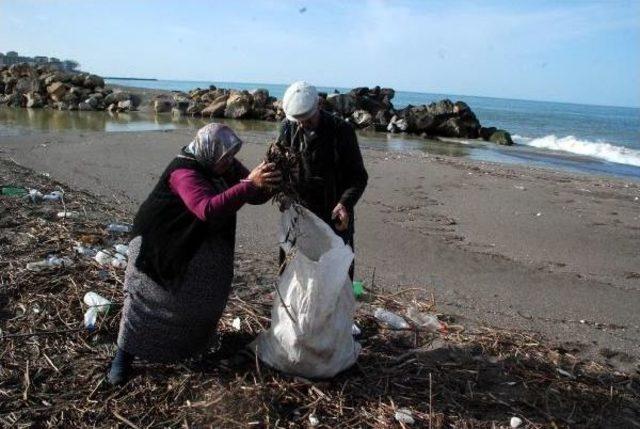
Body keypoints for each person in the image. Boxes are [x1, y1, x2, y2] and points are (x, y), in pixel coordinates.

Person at [107, 123, 281, 385]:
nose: (230, 163)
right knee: (146, 301)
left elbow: (253, 194)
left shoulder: (222, 163)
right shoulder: (183, 172)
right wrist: (249, 184)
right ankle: (122, 359)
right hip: (160, 244)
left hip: (198, 242)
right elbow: (206, 209)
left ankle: (186, 349)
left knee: (202, 299)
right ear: (209, 152)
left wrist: (268, 180)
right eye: (226, 158)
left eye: (232, 157)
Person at [277, 81, 368, 279]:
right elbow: (280, 167)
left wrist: (345, 203)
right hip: (298, 214)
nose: (301, 124)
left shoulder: (341, 131)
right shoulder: (287, 128)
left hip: (334, 216)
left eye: (307, 119)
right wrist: (281, 191)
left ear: (318, 104)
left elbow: (358, 176)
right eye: (297, 120)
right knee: (293, 275)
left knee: (336, 277)